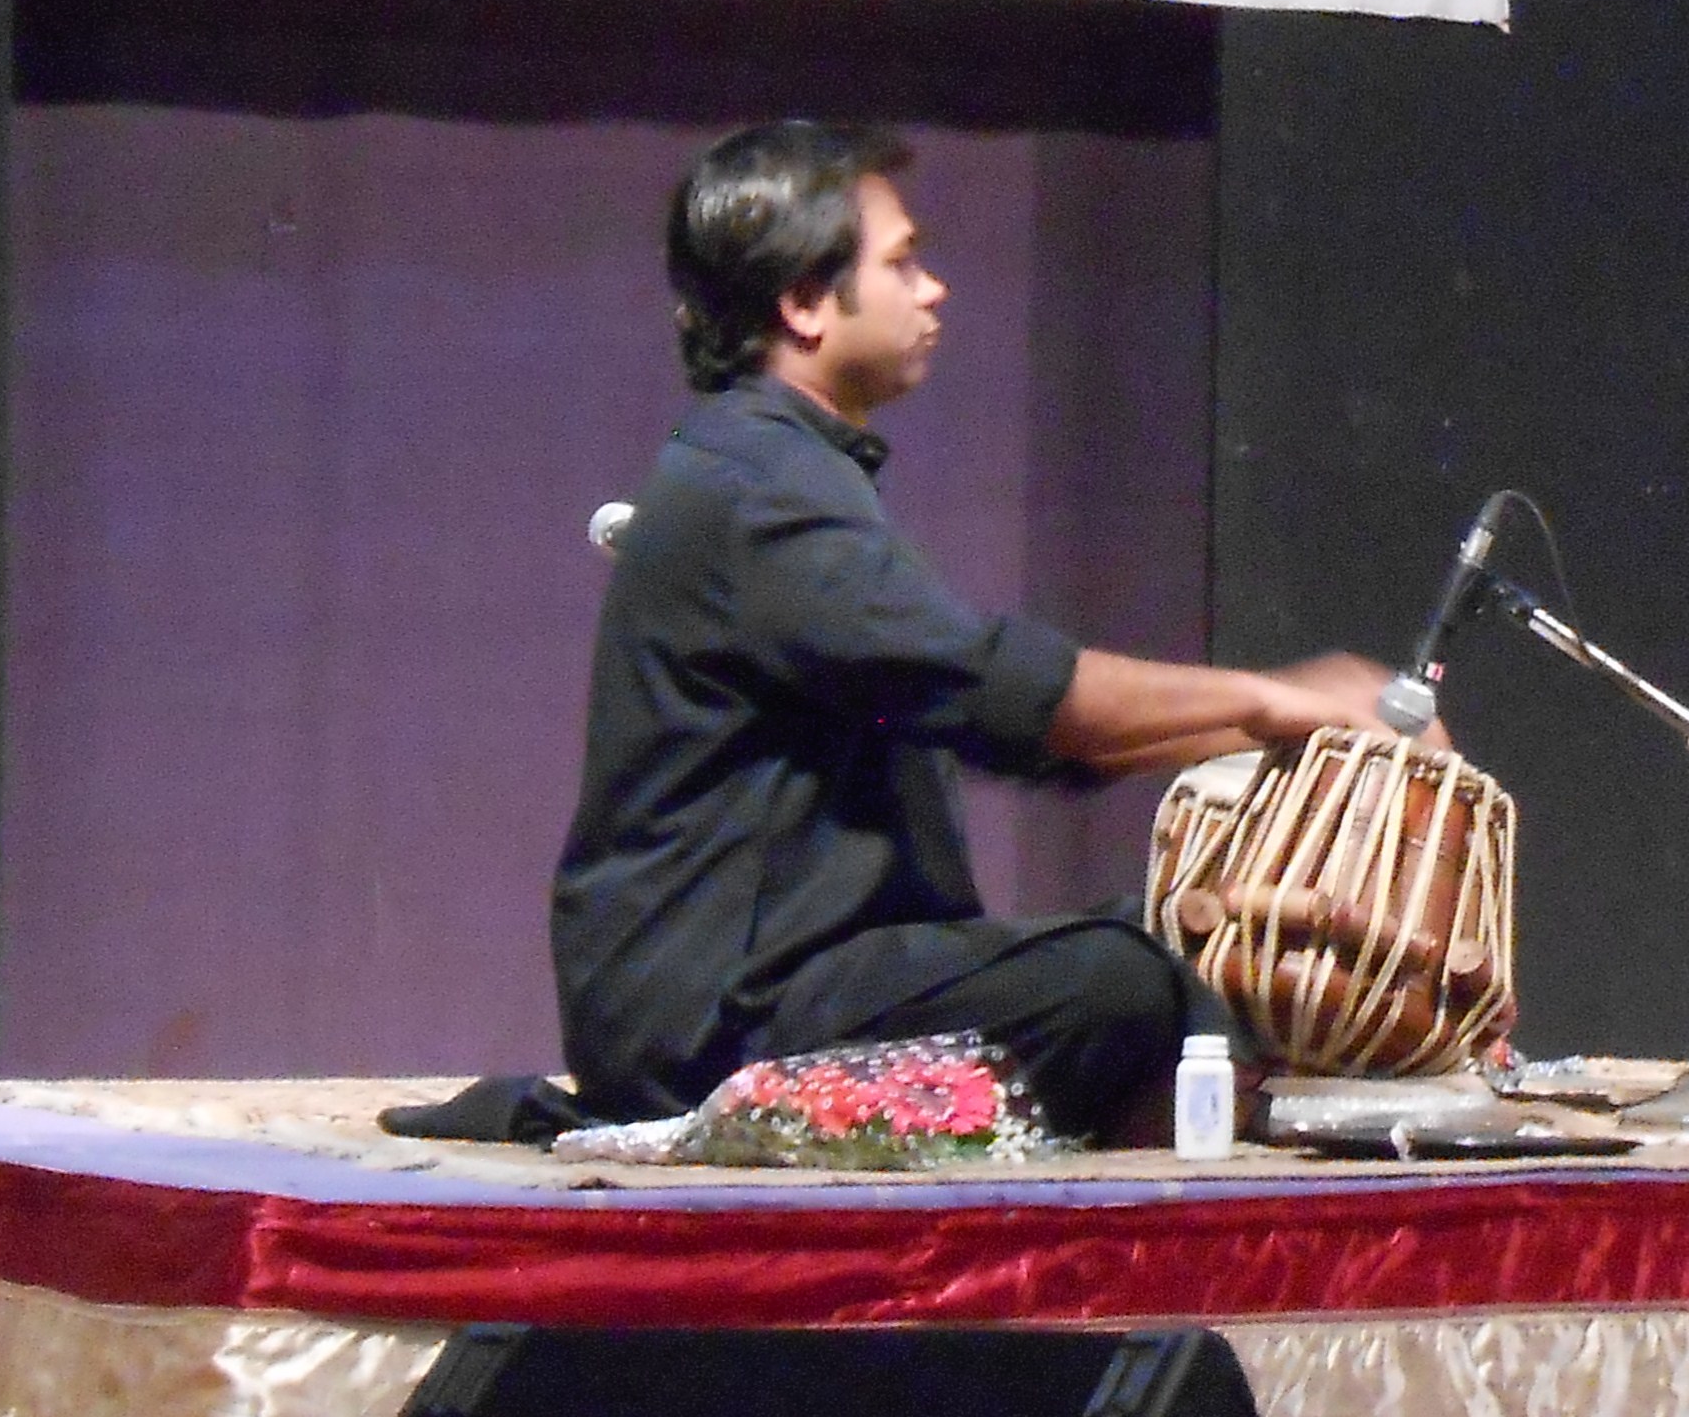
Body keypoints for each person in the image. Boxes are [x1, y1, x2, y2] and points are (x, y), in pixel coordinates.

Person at [547, 121, 1395, 1138]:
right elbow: (1002, 691)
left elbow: (1017, 716)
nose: (933, 288)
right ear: (805, 302)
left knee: (1165, 946)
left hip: (795, 981)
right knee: (1115, 980)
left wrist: (1296, 729)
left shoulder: (779, 468)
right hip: (719, 1023)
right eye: (901, 262)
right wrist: (1272, 704)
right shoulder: (757, 487)